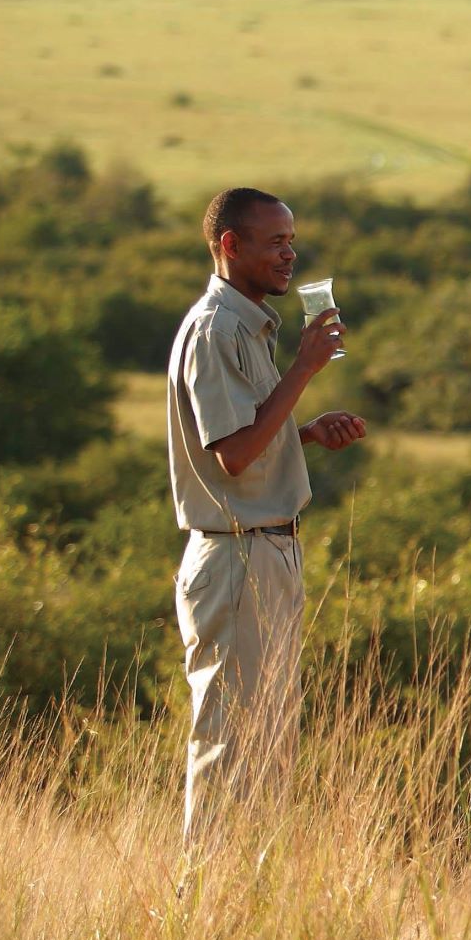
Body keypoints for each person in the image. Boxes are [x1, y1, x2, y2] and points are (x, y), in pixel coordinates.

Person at [167, 187, 367, 847]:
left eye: (292, 240)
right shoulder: (216, 329)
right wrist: (305, 370)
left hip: (264, 551)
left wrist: (302, 434)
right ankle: (203, 913)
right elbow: (230, 456)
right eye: (275, 241)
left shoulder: (247, 324)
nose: (290, 253)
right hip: (235, 554)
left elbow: (248, 438)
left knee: (267, 746)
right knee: (231, 750)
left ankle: (243, 906)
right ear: (230, 245)